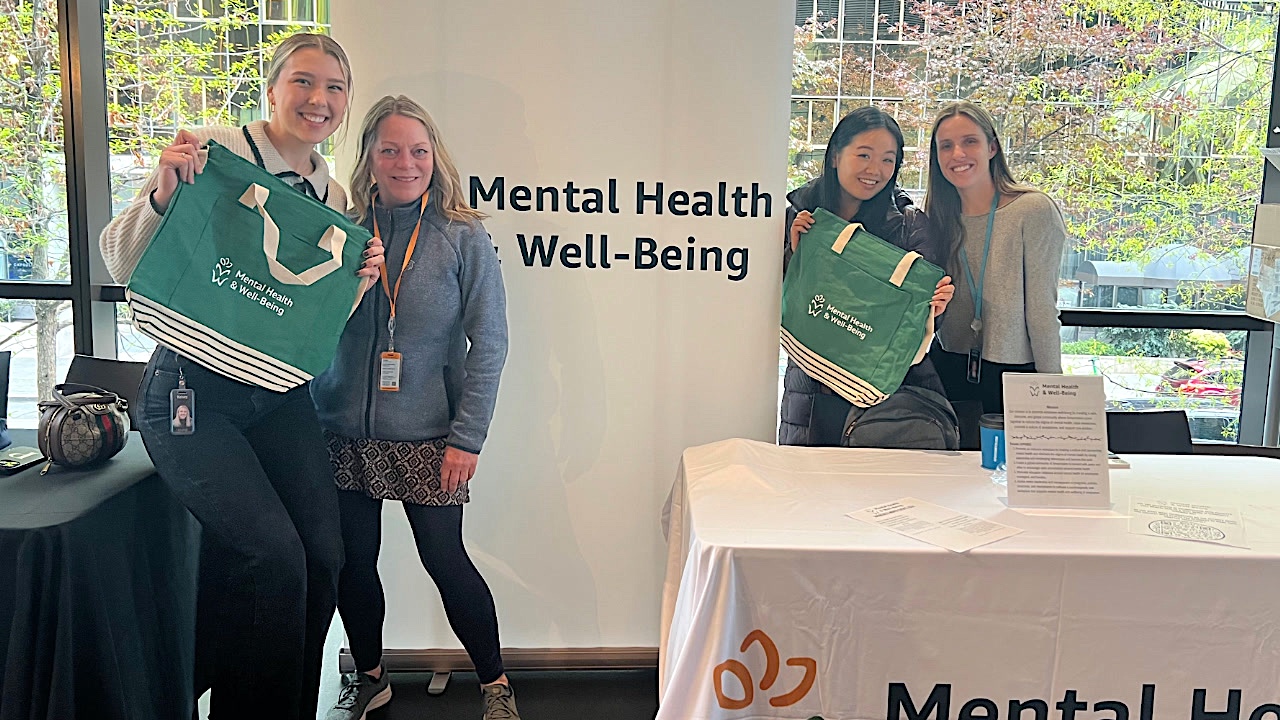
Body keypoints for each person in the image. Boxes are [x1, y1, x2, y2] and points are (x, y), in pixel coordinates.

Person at [99, 33, 384, 720]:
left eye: (335, 88)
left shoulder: (331, 191)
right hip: (192, 392)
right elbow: (119, 260)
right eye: (304, 82)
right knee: (274, 558)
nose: (320, 100)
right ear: (273, 87)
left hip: (277, 395)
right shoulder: (214, 151)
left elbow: (300, 324)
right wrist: (163, 195)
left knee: (322, 553)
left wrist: (356, 286)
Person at [310, 95, 517, 720]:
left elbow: (493, 341)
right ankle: (370, 676)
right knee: (352, 563)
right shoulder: (338, 229)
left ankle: (496, 684)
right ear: (369, 156)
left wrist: (469, 437)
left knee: (446, 562)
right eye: (390, 150)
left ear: (435, 157)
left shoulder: (462, 233)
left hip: (432, 434)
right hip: (341, 429)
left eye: (418, 150)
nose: (406, 162)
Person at [780, 105, 955, 446]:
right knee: (808, 493)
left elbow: (924, 329)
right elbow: (774, 305)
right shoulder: (798, 217)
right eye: (864, 154)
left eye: (888, 159)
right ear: (834, 156)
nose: (875, 169)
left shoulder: (909, 226)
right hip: (810, 391)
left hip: (888, 400)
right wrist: (794, 254)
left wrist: (937, 306)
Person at [925, 101, 1066, 415]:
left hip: (1015, 376)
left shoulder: (1033, 210)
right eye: (946, 146)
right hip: (948, 371)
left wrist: (1053, 397)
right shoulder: (937, 218)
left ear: (992, 147)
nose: (957, 154)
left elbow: (1043, 311)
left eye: (969, 141)